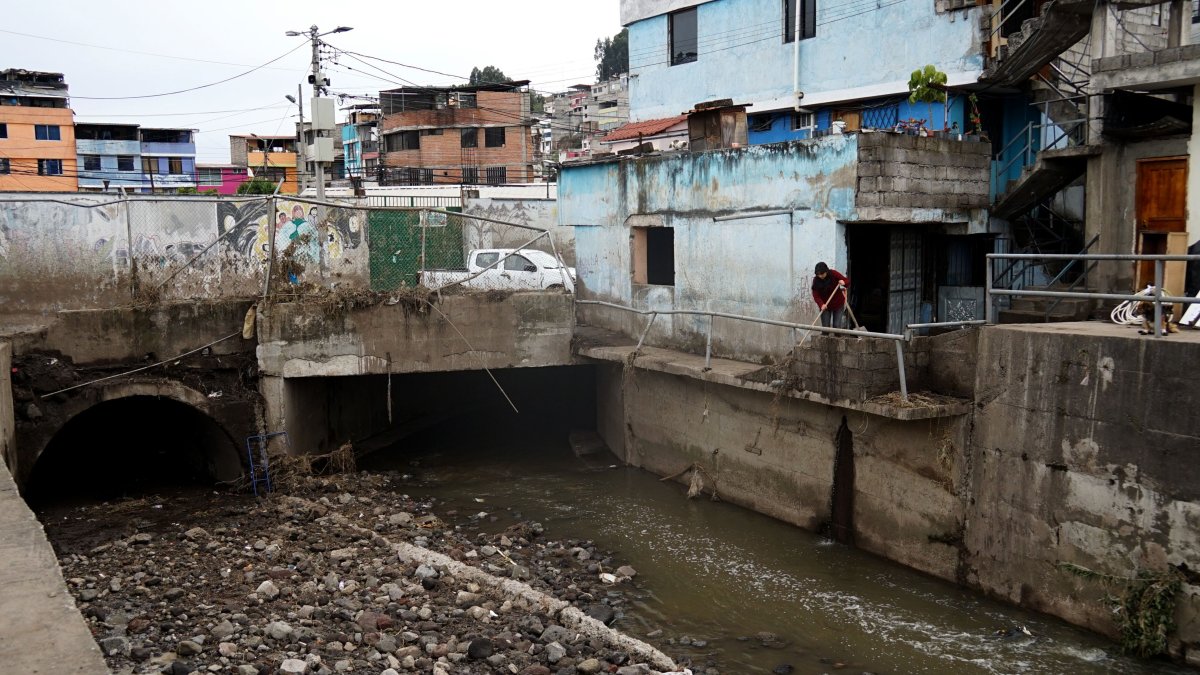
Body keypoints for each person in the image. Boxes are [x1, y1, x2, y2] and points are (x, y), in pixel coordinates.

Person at [811, 261, 850, 329]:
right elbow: (816, 295)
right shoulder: (816, 280)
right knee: (825, 327)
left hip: (838, 304)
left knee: (836, 326)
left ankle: (837, 338)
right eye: (818, 274)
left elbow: (847, 281)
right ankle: (825, 339)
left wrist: (843, 282)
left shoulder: (833, 274)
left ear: (826, 271)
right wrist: (821, 304)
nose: (820, 276)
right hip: (825, 305)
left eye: (822, 274)